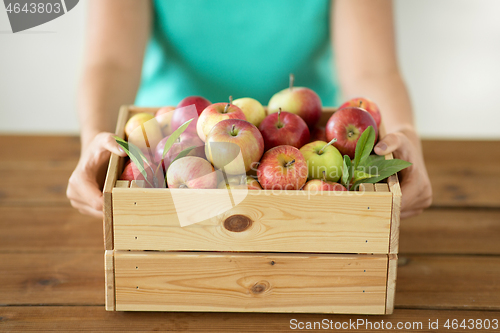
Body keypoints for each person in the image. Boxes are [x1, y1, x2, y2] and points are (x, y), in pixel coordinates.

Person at [67, 0, 432, 219]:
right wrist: (95, 146)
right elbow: (111, 62)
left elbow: (372, 70)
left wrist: (405, 135)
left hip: (309, 133)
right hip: (171, 139)